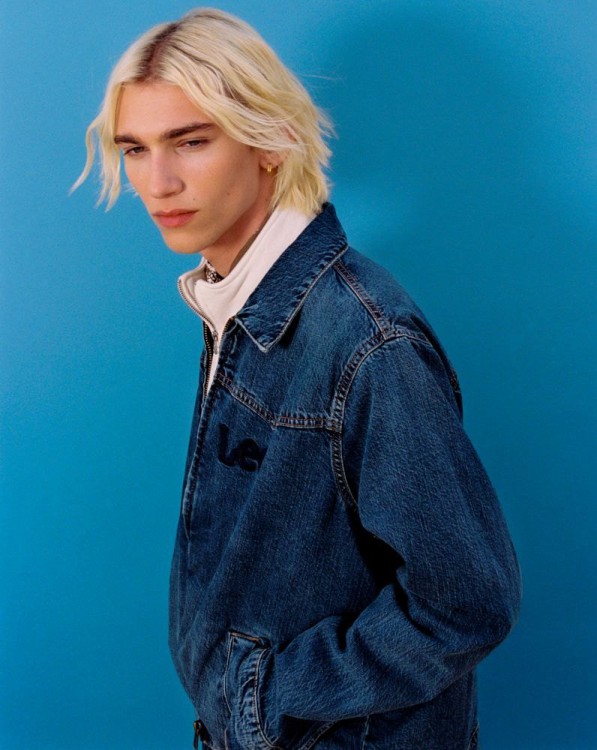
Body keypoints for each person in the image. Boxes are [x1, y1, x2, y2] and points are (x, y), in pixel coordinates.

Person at [74, 8, 521, 749]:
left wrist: (264, 698)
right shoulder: (237, 302)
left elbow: (468, 600)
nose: (158, 182)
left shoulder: (366, 342)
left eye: (191, 141)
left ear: (270, 142)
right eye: (135, 149)